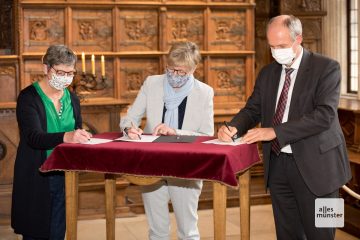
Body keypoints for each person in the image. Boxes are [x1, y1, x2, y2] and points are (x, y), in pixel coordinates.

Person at [218, 15, 351, 240]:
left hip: (322, 168)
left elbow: (324, 116)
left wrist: (275, 132)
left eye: (281, 46)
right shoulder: (268, 72)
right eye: (272, 46)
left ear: (298, 39)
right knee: (287, 234)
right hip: (279, 166)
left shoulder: (328, 67)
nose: (276, 51)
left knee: (324, 234)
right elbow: (253, 109)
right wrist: (232, 127)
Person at [120, 41, 214, 240]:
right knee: (157, 231)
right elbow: (130, 116)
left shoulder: (204, 92)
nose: (174, 75)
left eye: (181, 72)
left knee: (188, 231)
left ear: (193, 69)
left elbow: (206, 135)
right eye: (170, 69)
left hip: (186, 166)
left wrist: (175, 132)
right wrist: (129, 128)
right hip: (151, 163)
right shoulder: (152, 83)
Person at [11, 45, 92, 240]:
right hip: (37, 174)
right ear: (46, 69)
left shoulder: (72, 98)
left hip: (64, 175)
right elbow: (33, 137)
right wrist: (66, 136)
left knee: (58, 231)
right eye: (60, 72)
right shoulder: (29, 97)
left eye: (70, 73)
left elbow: (77, 129)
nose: (65, 77)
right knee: (36, 232)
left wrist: (81, 136)